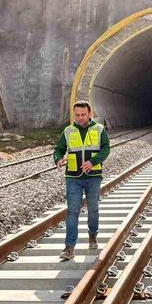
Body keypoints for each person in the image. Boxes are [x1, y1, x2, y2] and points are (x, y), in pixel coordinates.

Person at [53, 100, 110, 260]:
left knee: (93, 209)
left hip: (93, 176)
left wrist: (93, 161)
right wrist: (58, 158)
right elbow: (59, 149)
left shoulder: (99, 129)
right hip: (73, 177)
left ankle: (93, 235)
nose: (80, 118)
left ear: (90, 113)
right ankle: (69, 248)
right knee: (72, 211)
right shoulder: (68, 131)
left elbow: (106, 149)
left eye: (83, 114)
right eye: (77, 115)